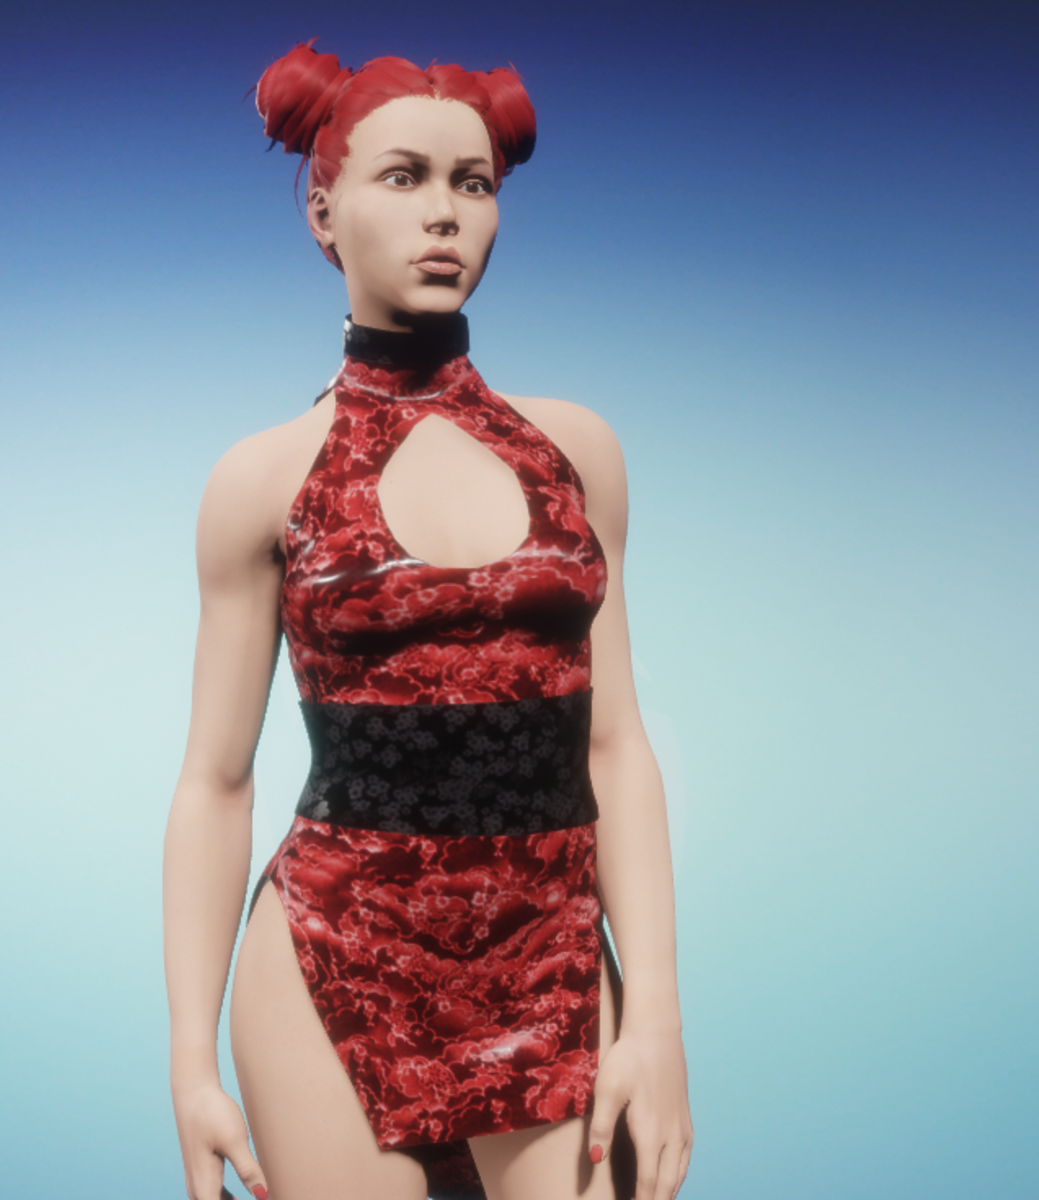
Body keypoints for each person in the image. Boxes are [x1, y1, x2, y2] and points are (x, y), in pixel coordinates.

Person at [163, 41, 692, 1200]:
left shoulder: (576, 454)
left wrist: (654, 1016)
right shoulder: (264, 481)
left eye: (473, 183)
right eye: (402, 177)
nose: (444, 213)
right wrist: (189, 1063)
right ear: (323, 210)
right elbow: (215, 780)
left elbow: (615, 744)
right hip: (333, 955)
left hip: (553, 958)